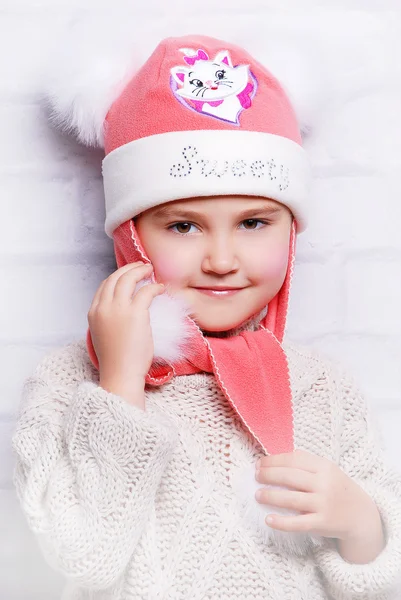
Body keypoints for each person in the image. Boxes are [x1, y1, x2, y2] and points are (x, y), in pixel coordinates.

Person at [11, 34, 401, 600]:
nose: (221, 261)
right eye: (183, 226)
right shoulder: (69, 383)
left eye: (253, 223)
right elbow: (80, 558)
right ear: (131, 235)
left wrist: (362, 525)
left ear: (292, 233)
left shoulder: (322, 390)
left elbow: (376, 581)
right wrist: (121, 382)